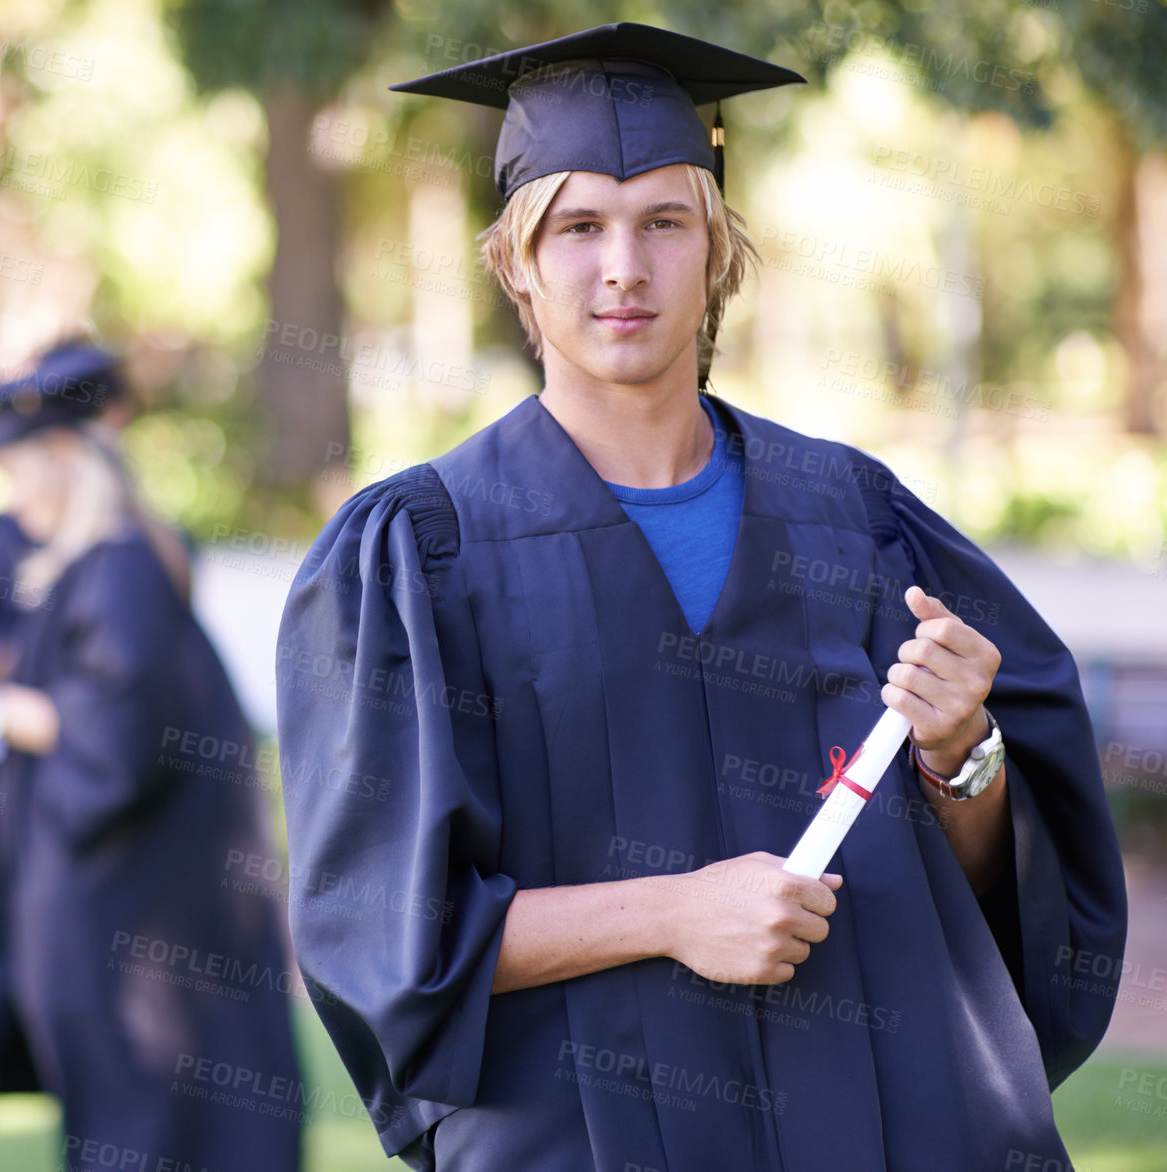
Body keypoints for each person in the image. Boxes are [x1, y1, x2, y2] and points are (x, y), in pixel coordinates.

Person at [275, 23, 1126, 1172]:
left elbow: (1011, 898)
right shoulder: (424, 551)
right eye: (576, 225)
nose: (622, 266)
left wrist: (961, 755)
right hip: (585, 1129)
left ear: (717, 252)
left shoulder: (858, 519)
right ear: (513, 262)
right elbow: (385, 931)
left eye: (663, 221)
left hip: (886, 1118)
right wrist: (675, 911)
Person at [0, 352, 301, 1172]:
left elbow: (116, 731)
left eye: (17, 467)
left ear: (64, 461)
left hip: (140, 914)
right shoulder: (93, 566)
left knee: (154, 1114)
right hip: (120, 904)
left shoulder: (119, 567)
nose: (8, 490)